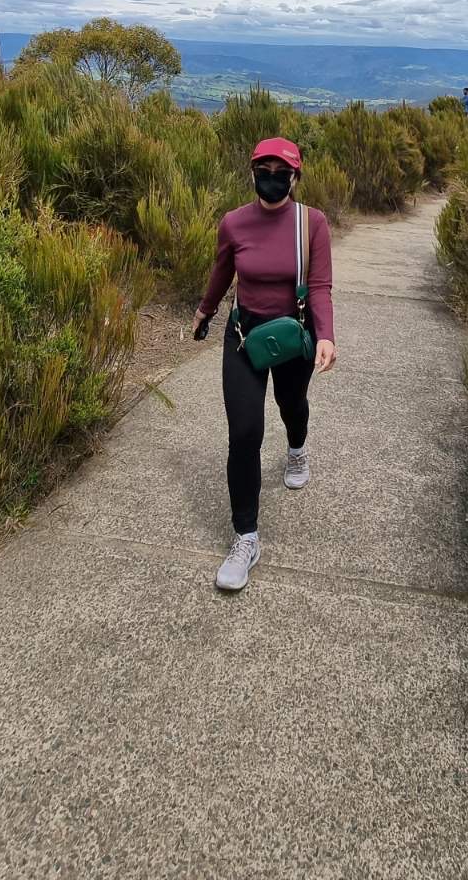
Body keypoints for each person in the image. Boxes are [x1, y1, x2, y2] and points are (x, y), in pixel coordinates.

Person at [193, 137, 336, 593]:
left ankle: (296, 449)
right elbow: (222, 272)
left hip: (293, 335)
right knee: (245, 432)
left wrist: (326, 334)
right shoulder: (234, 223)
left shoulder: (311, 224)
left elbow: (320, 286)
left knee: (292, 404)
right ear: (251, 173)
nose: (271, 178)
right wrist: (205, 311)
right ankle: (246, 538)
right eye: (263, 170)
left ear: (295, 177)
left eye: (281, 171)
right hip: (243, 335)